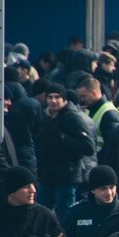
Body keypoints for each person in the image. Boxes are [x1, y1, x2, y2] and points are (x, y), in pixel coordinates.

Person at [36, 82, 97, 217]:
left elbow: (88, 147)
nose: (53, 101)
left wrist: (64, 139)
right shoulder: (45, 118)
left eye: (57, 97)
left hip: (66, 176)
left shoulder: (72, 118)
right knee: (40, 213)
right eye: (50, 97)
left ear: (64, 99)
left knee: (65, 215)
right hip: (47, 175)